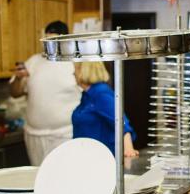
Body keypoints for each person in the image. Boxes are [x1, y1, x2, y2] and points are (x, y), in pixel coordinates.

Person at [10, 20, 81, 165]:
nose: (50, 45)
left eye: (54, 40)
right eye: (47, 40)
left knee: (64, 178)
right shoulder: (33, 62)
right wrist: (18, 78)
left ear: (65, 40)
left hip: (65, 135)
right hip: (34, 136)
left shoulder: (75, 63)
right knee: (39, 179)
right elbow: (15, 93)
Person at [71, 62, 138, 158]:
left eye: (76, 69)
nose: (73, 73)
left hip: (101, 159)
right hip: (86, 156)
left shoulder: (101, 94)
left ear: (84, 71)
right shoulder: (87, 95)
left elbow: (121, 121)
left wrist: (128, 148)